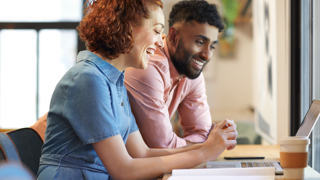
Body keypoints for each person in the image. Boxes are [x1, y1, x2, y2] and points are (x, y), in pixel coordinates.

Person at [36, 0, 237, 179]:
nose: (161, 42)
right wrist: (203, 153)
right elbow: (124, 170)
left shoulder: (115, 82)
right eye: (157, 31)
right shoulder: (88, 79)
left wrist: (209, 145)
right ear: (128, 27)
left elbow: (143, 153)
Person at [124, 0, 225, 148]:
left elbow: (201, 133)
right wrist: (206, 147)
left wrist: (206, 144)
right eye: (199, 42)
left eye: (212, 46)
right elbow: (162, 146)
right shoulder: (146, 67)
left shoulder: (190, 72)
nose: (207, 55)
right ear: (173, 37)